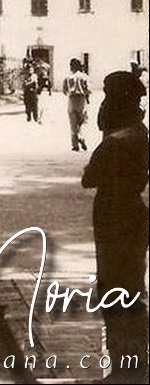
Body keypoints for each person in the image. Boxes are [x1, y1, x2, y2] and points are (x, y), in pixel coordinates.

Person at [82, 71, 149, 382]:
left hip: (112, 214)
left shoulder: (115, 143)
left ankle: (125, 370)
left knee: (114, 288)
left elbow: (89, 177)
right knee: (131, 286)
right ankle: (133, 366)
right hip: (133, 212)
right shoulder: (140, 132)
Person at [63, 57, 90, 150]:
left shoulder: (67, 77)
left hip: (71, 99)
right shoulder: (84, 76)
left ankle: (75, 145)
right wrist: (87, 98)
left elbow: (64, 90)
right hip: (81, 100)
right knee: (83, 121)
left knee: (73, 122)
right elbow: (88, 90)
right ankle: (81, 136)